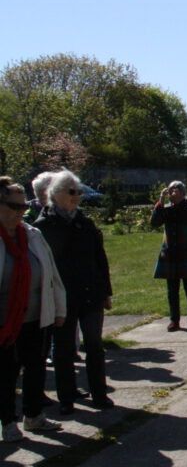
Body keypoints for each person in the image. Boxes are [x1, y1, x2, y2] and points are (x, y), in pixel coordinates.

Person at [34, 169, 114, 414]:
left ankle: (99, 393)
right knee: (64, 349)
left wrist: (106, 292)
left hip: (91, 294)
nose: (77, 196)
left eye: (79, 192)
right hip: (62, 297)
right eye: (72, 192)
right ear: (55, 194)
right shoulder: (44, 226)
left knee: (94, 346)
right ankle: (67, 398)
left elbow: (100, 258)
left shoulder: (85, 223)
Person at [0, 177, 66, 442]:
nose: (20, 212)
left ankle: (33, 415)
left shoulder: (32, 235)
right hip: (4, 322)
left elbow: (52, 276)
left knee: (35, 367)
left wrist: (59, 309)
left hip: (37, 316)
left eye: (23, 206)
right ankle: (7, 422)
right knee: (6, 373)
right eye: (14, 206)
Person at [152, 181, 187, 332]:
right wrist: (161, 201)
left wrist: (180, 202)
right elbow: (155, 222)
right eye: (170, 191)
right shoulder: (167, 208)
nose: (172, 195)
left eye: (175, 191)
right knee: (172, 290)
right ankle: (174, 320)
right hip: (170, 253)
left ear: (183, 193)